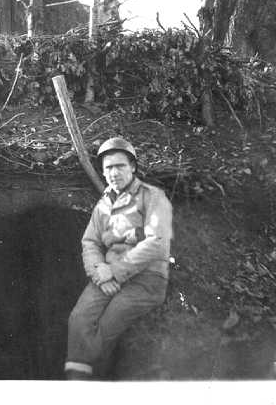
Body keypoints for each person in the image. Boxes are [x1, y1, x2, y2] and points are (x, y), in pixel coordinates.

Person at [65, 137, 173, 380]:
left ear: (132, 167)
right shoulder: (102, 206)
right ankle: (75, 387)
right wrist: (100, 271)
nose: (114, 173)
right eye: (108, 168)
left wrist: (114, 272)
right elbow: (90, 242)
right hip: (107, 276)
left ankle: (92, 384)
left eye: (120, 166)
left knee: (110, 321)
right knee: (79, 319)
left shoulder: (153, 197)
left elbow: (156, 242)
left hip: (146, 279)